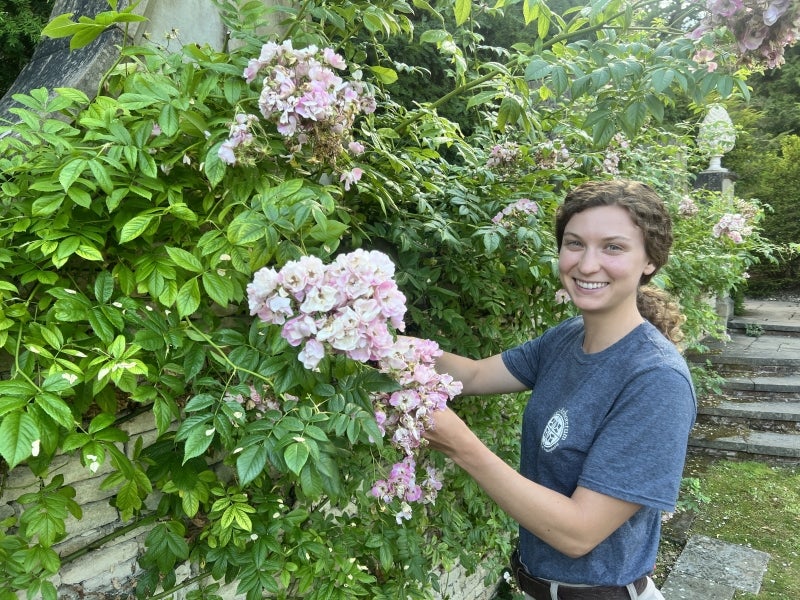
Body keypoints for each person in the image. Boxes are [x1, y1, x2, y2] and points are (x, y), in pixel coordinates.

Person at [423, 179, 696, 600]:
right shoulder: (568, 337)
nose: (587, 265)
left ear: (650, 261)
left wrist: (461, 446)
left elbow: (579, 533)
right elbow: (475, 375)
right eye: (574, 244)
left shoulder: (656, 381)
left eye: (613, 247)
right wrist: (386, 345)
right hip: (537, 587)